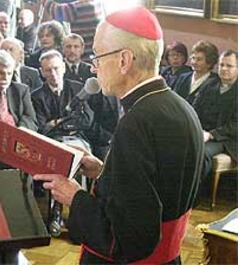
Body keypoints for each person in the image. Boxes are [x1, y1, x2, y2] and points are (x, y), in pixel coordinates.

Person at [34, 7, 203, 264]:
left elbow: (127, 237)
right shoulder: (180, 107)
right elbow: (155, 188)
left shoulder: (136, 123)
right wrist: (103, 171)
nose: (94, 68)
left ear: (124, 60)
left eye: (98, 57)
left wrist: (75, 197)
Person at [198, 50, 238, 199]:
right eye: (222, 65)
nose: (224, 69)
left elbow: (235, 126)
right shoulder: (210, 85)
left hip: (226, 138)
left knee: (201, 152)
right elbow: (195, 110)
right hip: (203, 132)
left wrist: (211, 134)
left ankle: (196, 195)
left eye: (230, 66)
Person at [31, 50, 93, 138]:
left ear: (63, 68)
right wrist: (69, 120)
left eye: (56, 68)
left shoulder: (78, 88)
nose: (53, 74)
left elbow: (86, 120)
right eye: (48, 70)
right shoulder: (36, 97)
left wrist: (56, 123)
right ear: (42, 72)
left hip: (77, 138)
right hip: (52, 141)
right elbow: (41, 128)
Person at [173, 40, 219, 105]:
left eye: (199, 59)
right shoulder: (183, 77)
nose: (194, 62)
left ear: (209, 62)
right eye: (193, 58)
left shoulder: (215, 82)